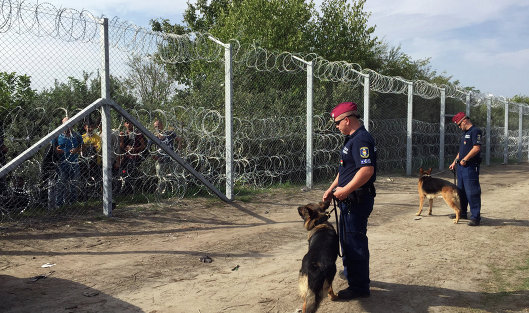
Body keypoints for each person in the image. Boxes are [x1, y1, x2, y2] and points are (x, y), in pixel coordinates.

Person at [322, 101, 377, 300]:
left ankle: (360, 288)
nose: (336, 127)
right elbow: (345, 170)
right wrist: (331, 189)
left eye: (337, 123)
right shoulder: (351, 139)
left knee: (354, 243)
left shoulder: (361, 140)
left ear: (347, 120)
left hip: (357, 199)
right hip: (349, 198)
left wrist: (346, 190)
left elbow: (366, 170)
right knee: (347, 241)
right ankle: (352, 274)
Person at [449, 112, 482, 226]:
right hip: (461, 167)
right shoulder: (464, 133)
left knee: (472, 191)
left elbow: (476, 148)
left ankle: (475, 217)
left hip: (470, 167)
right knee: (461, 191)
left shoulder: (475, 131)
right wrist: (455, 162)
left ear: (464, 121)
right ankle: (462, 212)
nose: (459, 127)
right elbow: (462, 151)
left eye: (459, 124)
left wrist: (466, 159)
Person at [56, 117, 83, 206]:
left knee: (74, 184)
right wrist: (57, 150)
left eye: (70, 125)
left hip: (74, 163)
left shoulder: (76, 135)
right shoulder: (57, 136)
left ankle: (73, 204)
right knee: (60, 184)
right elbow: (51, 149)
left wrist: (77, 150)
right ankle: (59, 205)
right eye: (66, 125)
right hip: (61, 164)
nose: (68, 127)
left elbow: (83, 146)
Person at [152, 119, 180, 195]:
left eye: (158, 126)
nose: (157, 128)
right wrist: (153, 156)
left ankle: (176, 191)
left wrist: (178, 150)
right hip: (160, 159)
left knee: (174, 175)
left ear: (162, 125)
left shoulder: (169, 133)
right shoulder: (154, 136)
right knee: (160, 177)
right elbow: (148, 147)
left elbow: (179, 140)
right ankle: (161, 193)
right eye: (155, 127)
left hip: (171, 158)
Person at [119, 120, 146, 194]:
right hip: (126, 157)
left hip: (135, 156)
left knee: (131, 172)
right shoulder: (123, 133)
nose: (129, 124)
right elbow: (121, 147)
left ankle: (135, 188)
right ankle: (128, 189)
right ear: (125, 124)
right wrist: (122, 141)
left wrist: (134, 149)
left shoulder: (137, 133)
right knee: (124, 172)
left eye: (130, 123)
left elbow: (143, 145)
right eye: (127, 123)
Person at [81, 120, 102, 197]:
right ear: (85, 127)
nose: (90, 129)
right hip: (84, 161)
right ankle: (86, 193)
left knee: (96, 177)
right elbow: (80, 149)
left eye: (92, 127)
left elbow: (98, 148)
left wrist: (87, 147)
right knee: (85, 177)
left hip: (96, 161)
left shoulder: (97, 137)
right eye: (88, 127)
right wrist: (92, 146)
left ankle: (96, 193)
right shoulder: (82, 137)